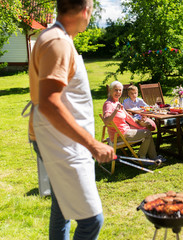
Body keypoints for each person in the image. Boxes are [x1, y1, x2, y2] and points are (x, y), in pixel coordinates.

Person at [28, 0, 114, 239]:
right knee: (91, 220)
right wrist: (93, 144)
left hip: (60, 137)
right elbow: (49, 102)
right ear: (86, 9)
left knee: (62, 207)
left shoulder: (59, 39)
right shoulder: (58, 42)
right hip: (60, 142)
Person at [103, 81, 164, 161]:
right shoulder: (109, 104)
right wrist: (115, 111)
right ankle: (141, 157)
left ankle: (153, 157)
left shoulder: (116, 102)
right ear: (110, 90)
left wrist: (140, 126)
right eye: (115, 90)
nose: (118, 92)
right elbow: (106, 121)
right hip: (119, 135)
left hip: (123, 131)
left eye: (120, 90)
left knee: (146, 130)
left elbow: (128, 118)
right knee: (148, 133)